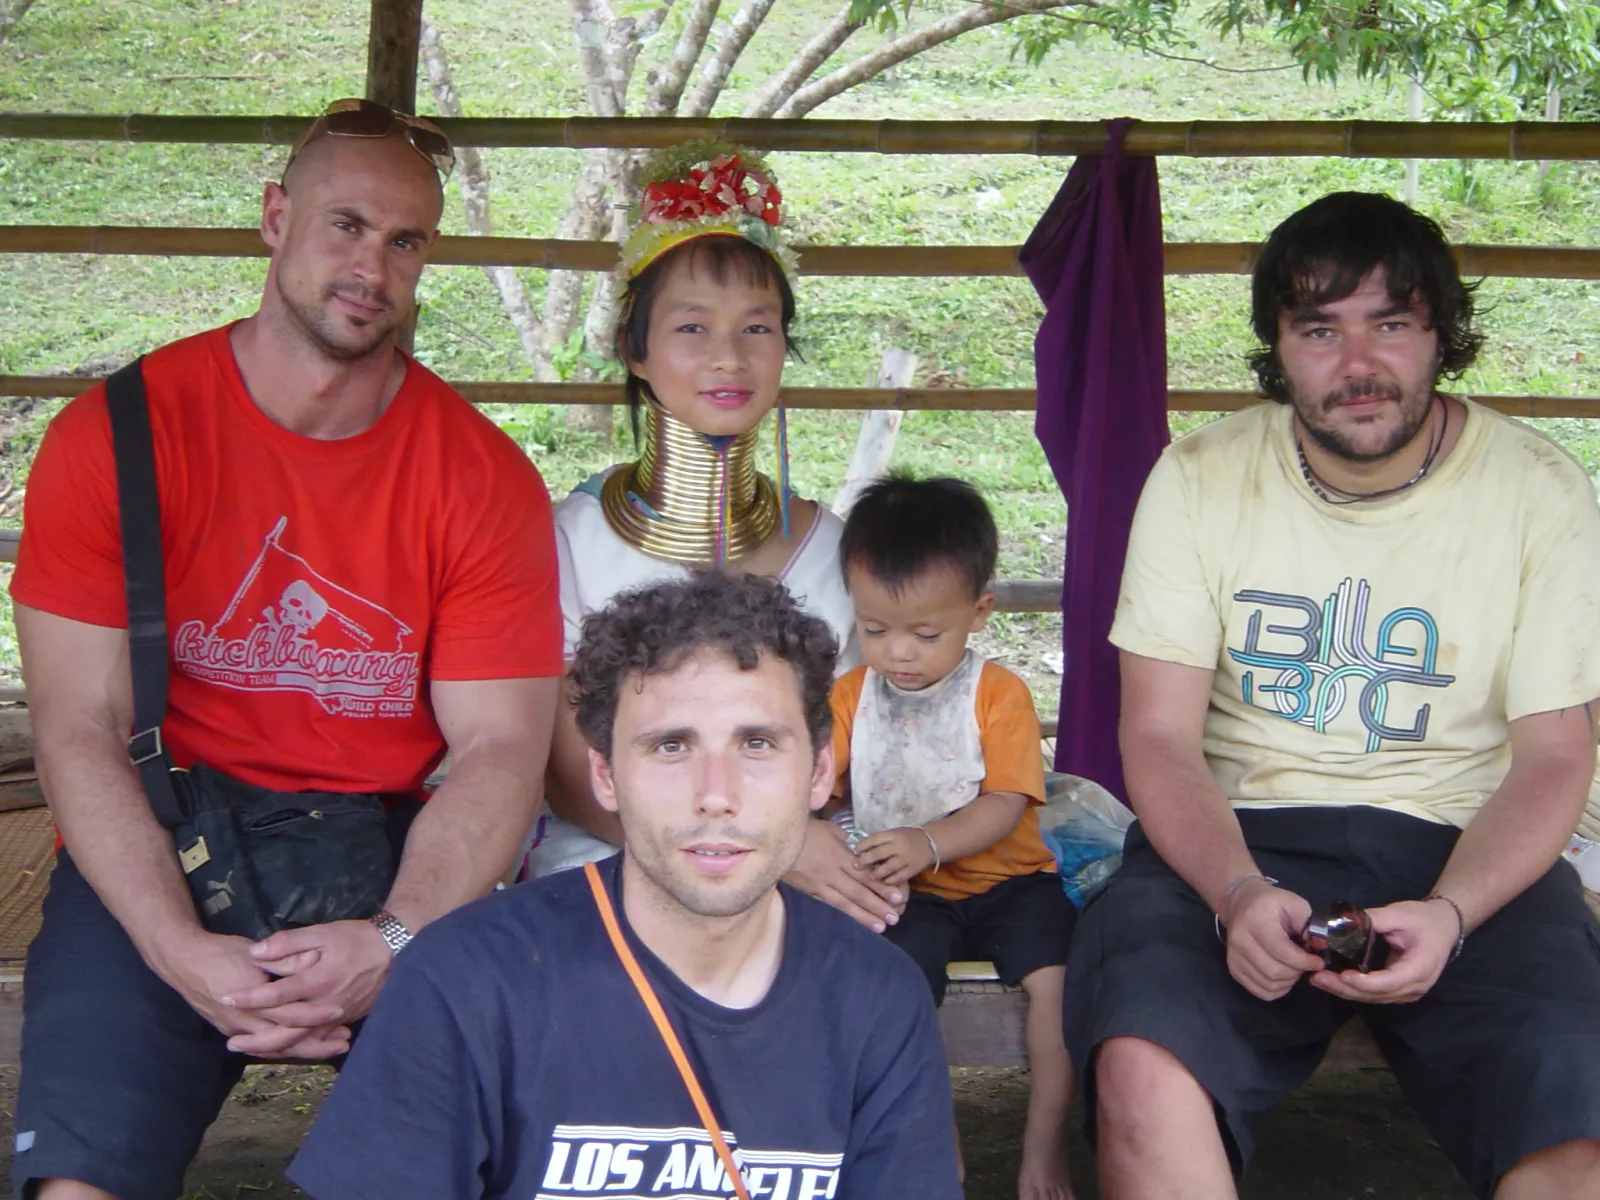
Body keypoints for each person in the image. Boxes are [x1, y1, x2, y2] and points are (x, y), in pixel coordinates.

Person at [10, 99, 564, 1200]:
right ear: (275, 218)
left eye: (405, 241)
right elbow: (78, 725)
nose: (372, 266)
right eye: (345, 225)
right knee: (77, 1185)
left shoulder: (479, 474)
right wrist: (174, 946)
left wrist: (397, 938)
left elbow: (501, 747)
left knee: (465, 1171)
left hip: (387, 846)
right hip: (163, 829)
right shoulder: (118, 435)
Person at [1066, 190, 1600, 1200]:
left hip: (1465, 843)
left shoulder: (1539, 489)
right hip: (1239, 837)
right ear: (1278, 346)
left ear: (1439, 335)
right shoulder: (1200, 477)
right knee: (1142, 1064)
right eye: (1319, 330)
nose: (1358, 365)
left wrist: (1452, 913)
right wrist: (1234, 891)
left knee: (1577, 1107)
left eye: (1390, 324)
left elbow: (1556, 755)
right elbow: (1159, 734)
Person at [287, 572, 963, 1200]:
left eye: (757, 744)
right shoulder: (465, 980)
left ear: (817, 774)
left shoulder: (877, 998)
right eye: (671, 746)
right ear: (605, 776)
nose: (716, 795)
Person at [530, 141, 905, 935]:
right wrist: (769, 850)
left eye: (757, 328)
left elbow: (852, 749)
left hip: (806, 873)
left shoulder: (833, 552)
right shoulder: (570, 541)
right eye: (692, 326)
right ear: (635, 349)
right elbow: (566, 773)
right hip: (607, 865)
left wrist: (797, 848)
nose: (728, 357)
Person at [826, 473, 1077, 1200]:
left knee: (1058, 983)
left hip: (1012, 882)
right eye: (875, 630)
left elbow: (1005, 802)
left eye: (925, 634)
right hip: (909, 891)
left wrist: (929, 841)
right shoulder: (850, 697)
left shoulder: (998, 694)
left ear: (979, 612)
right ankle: (940, 1134)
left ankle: (1044, 1145)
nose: (898, 653)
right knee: (898, 982)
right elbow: (820, 789)